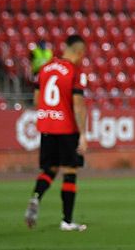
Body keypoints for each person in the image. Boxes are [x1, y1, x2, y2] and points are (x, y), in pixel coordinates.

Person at [23, 34, 89, 232]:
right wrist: (83, 134)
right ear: (78, 52)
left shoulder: (45, 68)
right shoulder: (73, 71)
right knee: (70, 170)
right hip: (66, 127)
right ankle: (67, 221)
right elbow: (78, 105)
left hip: (47, 125)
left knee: (50, 169)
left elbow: (36, 100)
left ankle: (36, 197)